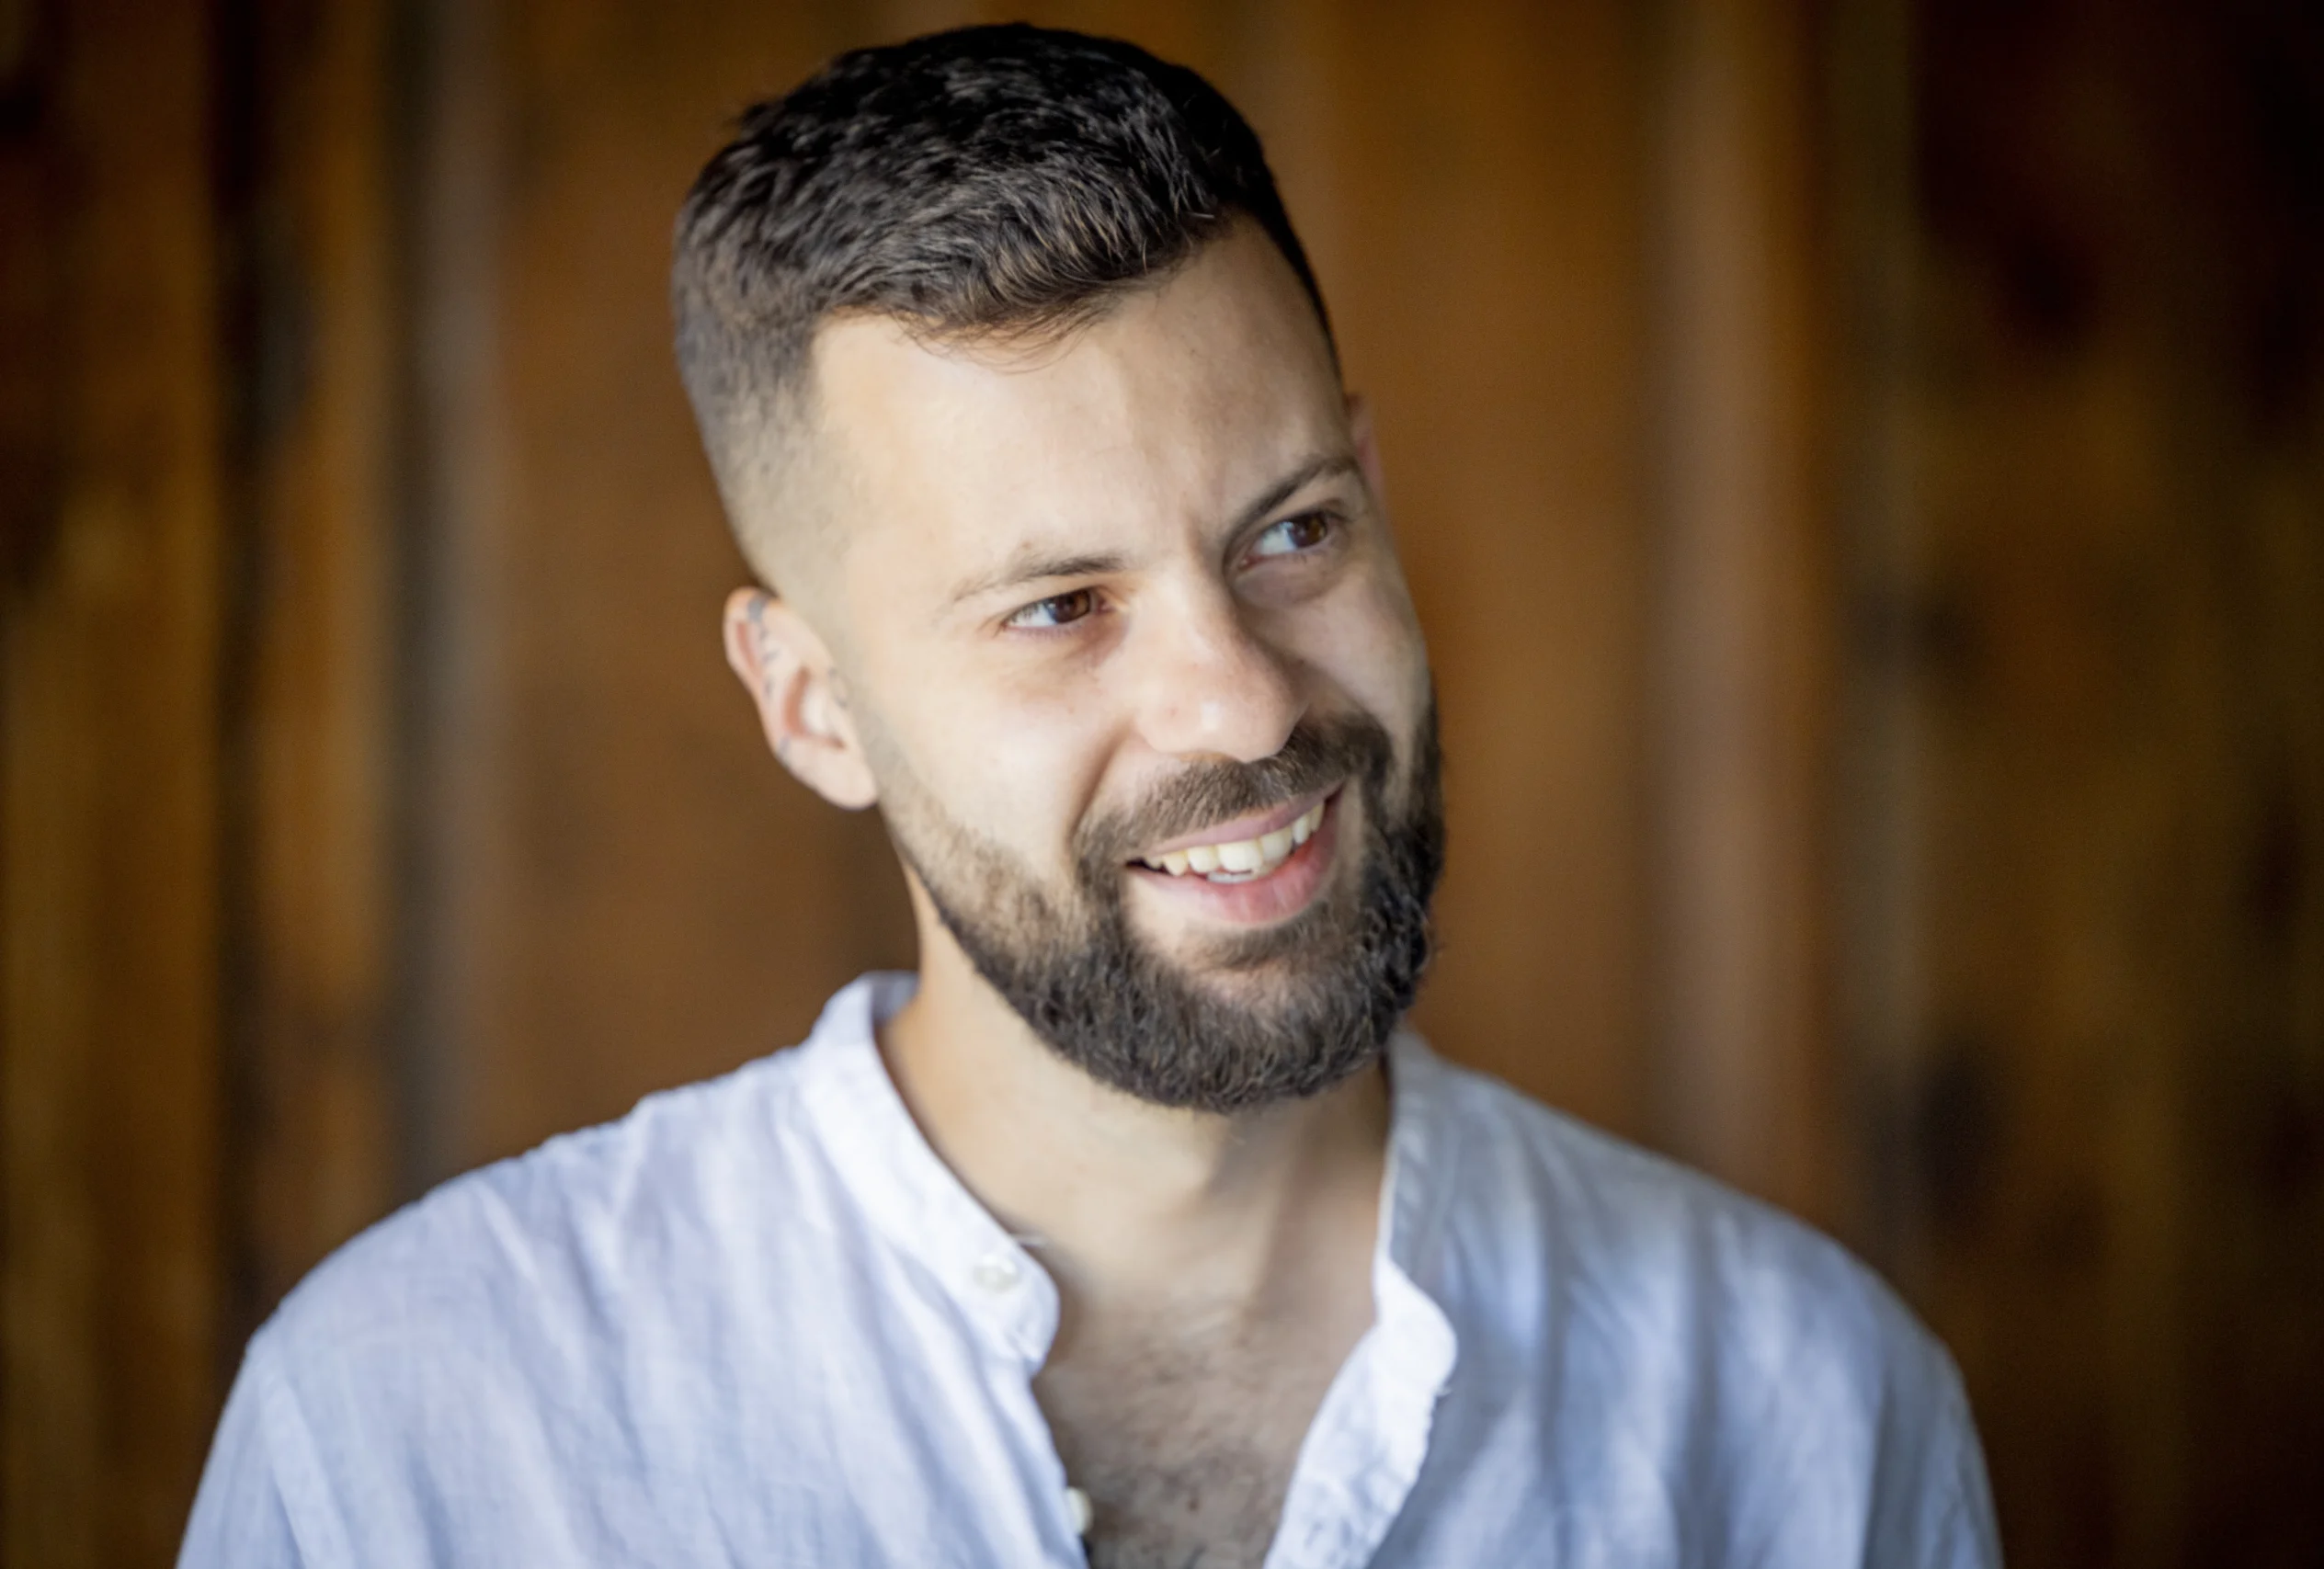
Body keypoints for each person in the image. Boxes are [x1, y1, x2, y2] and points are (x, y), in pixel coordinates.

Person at [180, 24, 1998, 1569]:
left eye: (1292, 531)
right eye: (1060, 607)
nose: (1239, 700)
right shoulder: (423, 1432)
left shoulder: (1799, 1415)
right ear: (810, 704)